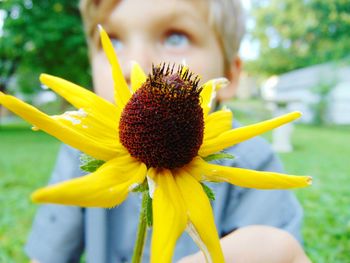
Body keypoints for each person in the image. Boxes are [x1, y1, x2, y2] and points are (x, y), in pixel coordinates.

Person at [26, 0, 311, 262]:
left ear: (232, 74)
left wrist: (279, 250)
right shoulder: (81, 146)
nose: (134, 64)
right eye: (112, 40)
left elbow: (274, 248)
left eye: (176, 37)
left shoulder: (253, 158)